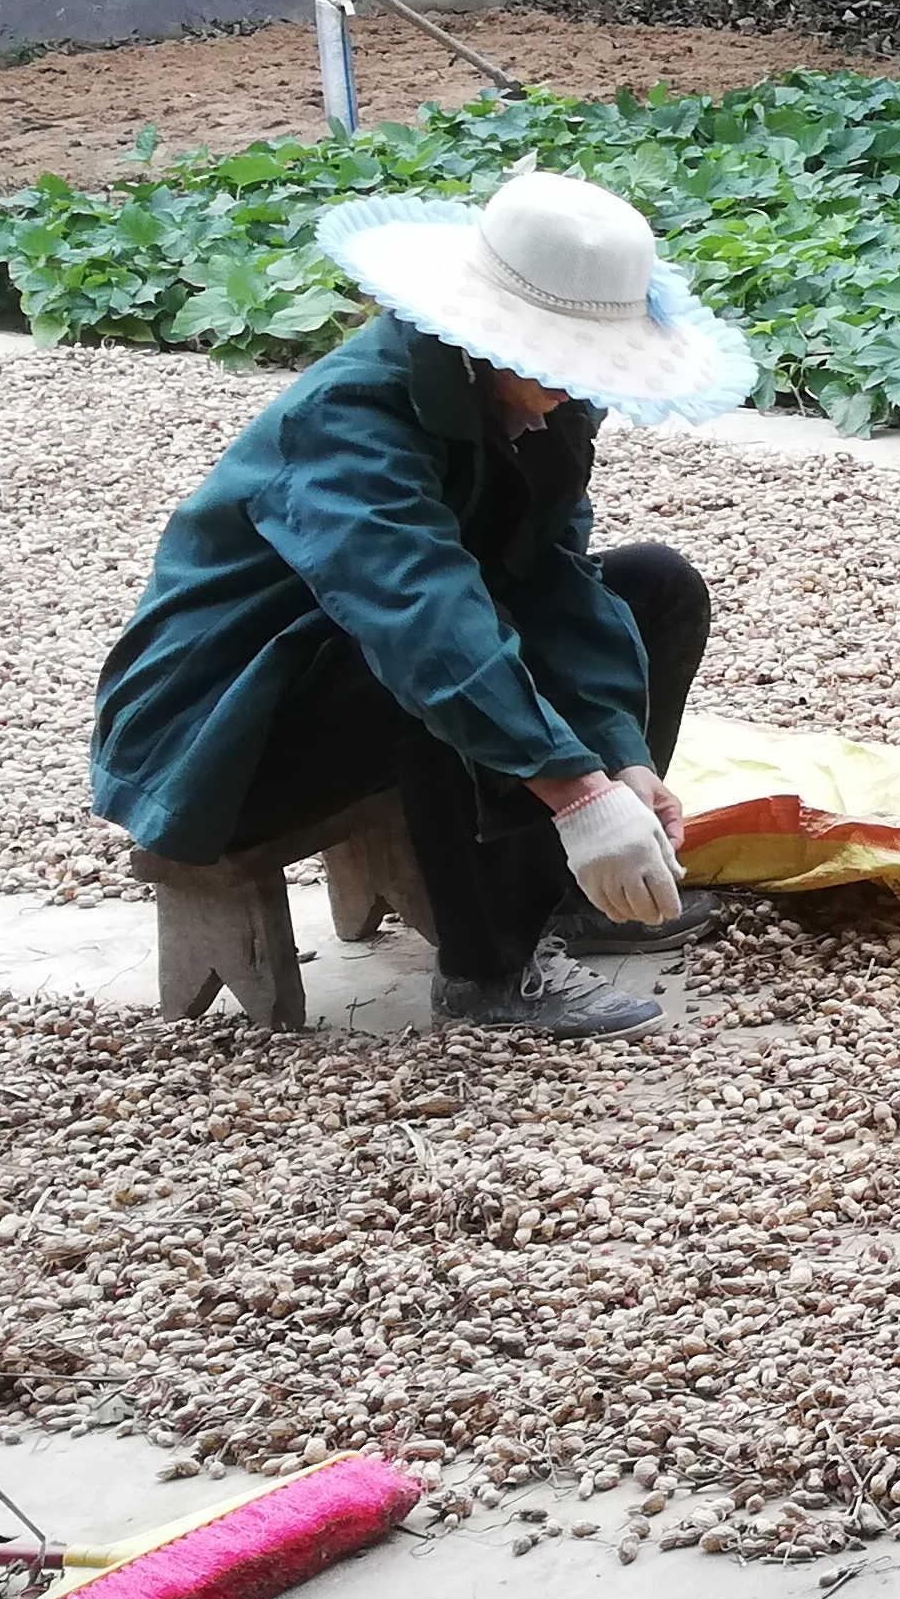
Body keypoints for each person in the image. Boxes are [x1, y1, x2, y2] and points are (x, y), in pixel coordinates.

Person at [94, 169, 758, 1035]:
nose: (579, 379)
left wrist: (621, 759)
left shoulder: (539, 403)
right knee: (437, 660)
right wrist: (578, 797)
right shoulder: (348, 418)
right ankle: (489, 973)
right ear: (492, 330)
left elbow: (557, 579)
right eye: (563, 353)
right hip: (219, 730)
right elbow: (422, 623)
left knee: (654, 588)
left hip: (351, 661)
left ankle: (570, 895)